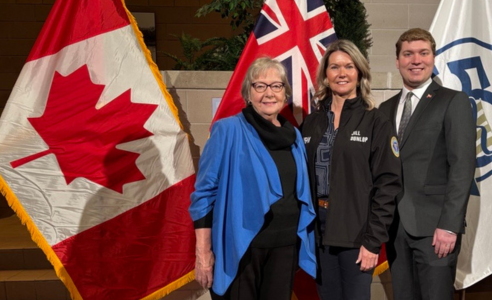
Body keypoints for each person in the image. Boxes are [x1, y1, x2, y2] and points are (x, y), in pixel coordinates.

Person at [189, 57, 317, 300]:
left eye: (276, 86)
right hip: (242, 248)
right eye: (260, 86)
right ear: (248, 93)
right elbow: (204, 195)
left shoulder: (294, 136)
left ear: (285, 93)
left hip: (285, 246)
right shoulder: (227, 130)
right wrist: (203, 253)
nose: (268, 93)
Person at [300, 39, 402, 300]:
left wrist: (372, 241)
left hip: (357, 233)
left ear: (359, 73)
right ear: (325, 75)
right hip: (318, 231)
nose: (341, 73)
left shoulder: (376, 121)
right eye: (334, 67)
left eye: (349, 66)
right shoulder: (310, 123)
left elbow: (387, 185)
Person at [379, 28, 476, 300]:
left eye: (423, 53)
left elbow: (462, 166)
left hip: (436, 230)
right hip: (394, 228)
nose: (416, 60)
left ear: (433, 58)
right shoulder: (384, 109)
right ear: (397, 61)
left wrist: (449, 225)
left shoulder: (453, 101)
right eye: (407, 54)